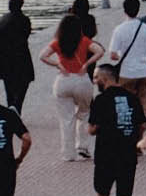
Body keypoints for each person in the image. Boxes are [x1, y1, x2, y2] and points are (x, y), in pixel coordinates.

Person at [87, 62, 146, 196]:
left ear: (105, 79)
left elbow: (92, 128)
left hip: (105, 153)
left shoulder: (100, 100)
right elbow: (142, 125)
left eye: (96, 78)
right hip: (128, 153)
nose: (94, 81)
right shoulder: (132, 98)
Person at [39, 14, 104, 161]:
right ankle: (83, 146)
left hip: (63, 81)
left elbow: (42, 56)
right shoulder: (84, 41)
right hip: (82, 80)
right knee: (84, 113)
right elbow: (100, 51)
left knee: (67, 119)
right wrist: (87, 64)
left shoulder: (57, 42)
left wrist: (57, 64)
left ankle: (68, 154)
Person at [108, 0, 146, 109]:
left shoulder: (119, 30)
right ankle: (144, 124)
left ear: (124, 10)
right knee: (144, 104)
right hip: (145, 71)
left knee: (127, 104)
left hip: (127, 73)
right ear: (138, 9)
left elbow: (113, 55)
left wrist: (121, 56)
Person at [0, 0, 34, 115]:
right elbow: (26, 35)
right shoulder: (25, 20)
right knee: (23, 83)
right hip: (21, 56)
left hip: (5, 58)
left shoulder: (1, 20)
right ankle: (17, 106)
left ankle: (11, 106)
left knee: (9, 87)